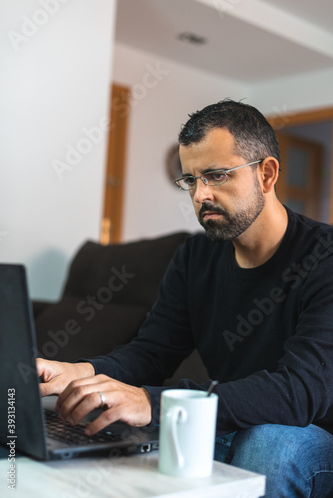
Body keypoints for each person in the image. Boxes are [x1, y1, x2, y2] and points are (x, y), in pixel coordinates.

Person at [37, 99, 333, 497]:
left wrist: (155, 403)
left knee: (269, 443)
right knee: (104, 423)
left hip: (310, 438)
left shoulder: (324, 259)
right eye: (191, 180)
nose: (200, 195)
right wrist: (82, 372)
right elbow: (153, 352)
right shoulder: (194, 257)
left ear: (266, 173)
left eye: (215, 175)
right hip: (232, 424)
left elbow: (300, 392)